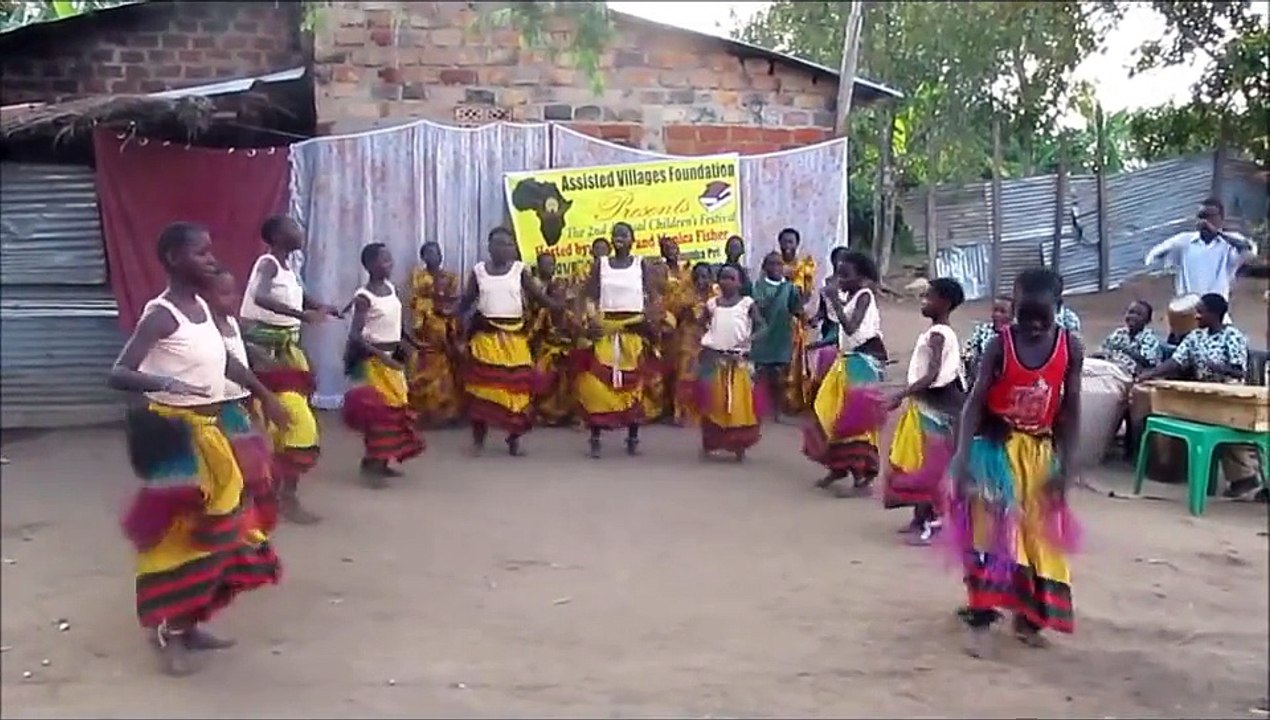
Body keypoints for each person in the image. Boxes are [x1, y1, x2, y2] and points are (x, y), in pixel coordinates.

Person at [109, 222, 289, 676]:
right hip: (176, 437)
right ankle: (167, 632)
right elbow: (119, 371)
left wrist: (264, 395)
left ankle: (190, 623)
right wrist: (164, 382)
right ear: (174, 259)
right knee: (178, 538)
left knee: (222, 530)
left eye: (211, 252)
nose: (211, 260)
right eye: (201, 253)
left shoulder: (203, 308)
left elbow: (225, 361)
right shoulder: (162, 314)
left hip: (215, 431)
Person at [950, 266, 1083, 658]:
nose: (1034, 325)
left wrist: (1067, 466)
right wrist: (961, 457)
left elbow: (1071, 410)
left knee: (1039, 537)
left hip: (1041, 455)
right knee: (991, 533)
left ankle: (1030, 616)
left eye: (1043, 317)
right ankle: (983, 611)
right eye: (1025, 316)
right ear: (1014, 306)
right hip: (995, 452)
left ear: (1059, 308)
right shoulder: (999, 345)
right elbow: (974, 403)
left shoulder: (1069, 348)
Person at [239, 215, 334, 524]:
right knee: (289, 421)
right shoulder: (267, 263)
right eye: (293, 227)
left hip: (286, 350)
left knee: (284, 423)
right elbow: (261, 297)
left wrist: (321, 306)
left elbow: (299, 296)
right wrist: (303, 315)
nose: (300, 231)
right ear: (278, 236)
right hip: (265, 352)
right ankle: (280, 497)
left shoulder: (288, 270)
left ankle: (275, 495)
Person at [1139, 293, 1260, 498]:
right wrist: (1149, 374)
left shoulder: (1233, 336)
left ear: (1214, 314)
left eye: (1201, 312)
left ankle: (1246, 478)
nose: (1196, 316)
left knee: (1228, 424)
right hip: (1203, 392)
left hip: (1229, 393)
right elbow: (1177, 361)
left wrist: (1218, 367)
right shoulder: (1195, 337)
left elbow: (1239, 371)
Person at [456, 228, 559, 455]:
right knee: (483, 391)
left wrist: (558, 307)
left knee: (518, 391)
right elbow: (467, 301)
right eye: (499, 244)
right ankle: (478, 441)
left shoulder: (519, 271)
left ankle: (513, 440)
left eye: (508, 245)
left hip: (514, 338)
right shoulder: (479, 271)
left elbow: (537, 296)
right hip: (486, 338)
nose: (505, 249)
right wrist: (456, 325)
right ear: (490, 246)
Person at [884, 277, 966, 546]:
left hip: (936, 409)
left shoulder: (939, 334)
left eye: (929, 297)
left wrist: (900, 394)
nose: (924, 302)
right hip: (928, 406)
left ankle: (935, 524)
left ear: (945, 302)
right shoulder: (938, 332)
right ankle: (920, 518)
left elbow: (931, 375)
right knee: (921, 462)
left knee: (930, 467)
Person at [203, 267, 282, 535]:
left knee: (253, 473)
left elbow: (239, 353)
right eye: (224, 293)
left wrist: (257, 354)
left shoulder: (231, 322)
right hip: (220, 413)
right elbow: (229, 364)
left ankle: (243, 532)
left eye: (234, 291)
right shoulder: (204, 329)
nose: (233, 298)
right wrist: (265, 394)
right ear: (203, 296)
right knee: (232, 478)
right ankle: (235, 536)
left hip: (240, 406)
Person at [803, 250, 889, 497]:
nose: (840, 280)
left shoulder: (864, 296)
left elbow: (851, 328)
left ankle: (862, 476)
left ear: (861, 278)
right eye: (838, 275)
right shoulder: (849, 296)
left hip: (863, 361)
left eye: (845, 275)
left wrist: (836, 302)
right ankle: (838, 465)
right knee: (827, 409)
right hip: (848, 360)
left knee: (855, 420)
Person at [342, 243, 424, 486]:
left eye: (390, 259)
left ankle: (381, 461)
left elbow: (395, 324)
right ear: (369, 265)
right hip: (374, 363)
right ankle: (372, 465)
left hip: (392, 359)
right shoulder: (363, 297)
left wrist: (410, 342)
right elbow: (356, 335)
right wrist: (381, 355)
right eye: (383, 260)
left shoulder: (390, 288)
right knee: (380, 414)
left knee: (397, 409)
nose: (389, 264)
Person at [578, 221, 654, 457]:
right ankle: (596, 436)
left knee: (633, 382)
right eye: (615, 234)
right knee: (598, 381)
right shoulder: (601, 265)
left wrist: (648, 321)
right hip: (606, 330)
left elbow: (651, 298)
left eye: (624, 234)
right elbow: (587, 296)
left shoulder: (642, 265)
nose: (619, 237)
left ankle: (632, 437)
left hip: (633, 330)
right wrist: (591, 321)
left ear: (633, 239)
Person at [692, 265, 769, 460]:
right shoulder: (711, 304)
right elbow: (699, 325)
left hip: (738, 360)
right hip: (716, 359)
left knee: (738, 405)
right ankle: (710, 442)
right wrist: (703, 341)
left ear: (740, 282)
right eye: (723, 278)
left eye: (731, 278)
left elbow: (762, 327)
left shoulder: (747, 304)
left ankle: (738, 445)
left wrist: (749, 340)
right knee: (714, 403)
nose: (726, 282)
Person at [1145, 197, 1256, 317]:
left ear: (1221, 218)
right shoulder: (1184, 241)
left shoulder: (1230, 242)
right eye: (1201, 216)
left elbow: (1250, 251)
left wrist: (1216, 232)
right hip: (1187, 312)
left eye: (1209, 217)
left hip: (1216, 313)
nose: (1204, 221)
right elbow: (1152, 257)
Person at [407, 241, 462, 429]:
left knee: (447, 372)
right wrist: (431, 310)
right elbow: (418, 299)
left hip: (447, 322)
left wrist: (449, 313)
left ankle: (446, 414)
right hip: (428, 322)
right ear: (423, 257)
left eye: (437, 252)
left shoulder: (450, 276)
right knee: (426, 369)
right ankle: (424, 414)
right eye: (429, 253)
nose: (435, 256)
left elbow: (455, 298)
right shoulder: (419, 276)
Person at [751, 251, 804, 423]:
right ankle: (758, 409)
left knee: (780, 376)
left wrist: (800, 299)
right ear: (765, 267)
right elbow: (760, 305)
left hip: (782, 336)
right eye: (771, 264)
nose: (776, 267)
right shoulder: (758, 286)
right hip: (764, 337)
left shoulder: (790, 288)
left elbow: (796, 309)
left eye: (779, 264)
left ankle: (778, 410)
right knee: (761, 374)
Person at [529, 276, 580, 426]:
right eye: (555, 294)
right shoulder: (544, 313)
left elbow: (577, 334)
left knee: (573, 379)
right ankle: (546, 413)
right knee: (542, 375)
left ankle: (568, 413)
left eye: (562, 294)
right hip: (548, 351)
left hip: (567, 351)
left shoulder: (570, 315)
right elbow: (535, 332)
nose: (559, 298)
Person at [672, 262, 718, 426]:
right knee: (685, 374)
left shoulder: (716, 294)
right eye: (697, 277)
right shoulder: (685, 294)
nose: (701, 281)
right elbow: (676, 313)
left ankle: (708, 413)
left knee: (708, 376)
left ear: (710, 278)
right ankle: (681, 413)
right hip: (688, 337)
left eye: (704, 277)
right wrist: (687, 309)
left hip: (710, 339)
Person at [778, 228, 817, 412]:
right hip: (776, 320)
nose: (787, 246)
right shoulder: (773, 264)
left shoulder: (804, 268)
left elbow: (807, 295)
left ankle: (793, 402)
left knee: (795, 360)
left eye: (790, 242)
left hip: (794, 319)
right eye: (784, 242)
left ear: (797, 244)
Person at [640, 262, 677, 423]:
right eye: (654, 274)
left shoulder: (674, 295)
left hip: (670, 343)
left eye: (662, 275)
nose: (658, 278)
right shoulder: (642, 297)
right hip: (649, 343)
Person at [1097, 301, 1163, 379]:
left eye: (1139, 314)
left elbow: (1148, 363)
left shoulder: (1149, 338)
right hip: (1112, 369)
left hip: (1136, 375)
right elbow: (1103, 350)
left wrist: (1125, 350)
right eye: (1130, 312)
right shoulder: (1119, 333)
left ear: (1147, 321)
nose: (1133, 316)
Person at [962, 294, 1012, 386]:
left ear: (1013, 315)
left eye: (1002, 311)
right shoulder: (981, 331)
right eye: (995, 310)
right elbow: (968, 355)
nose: (997, 314)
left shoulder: (1015, 337)